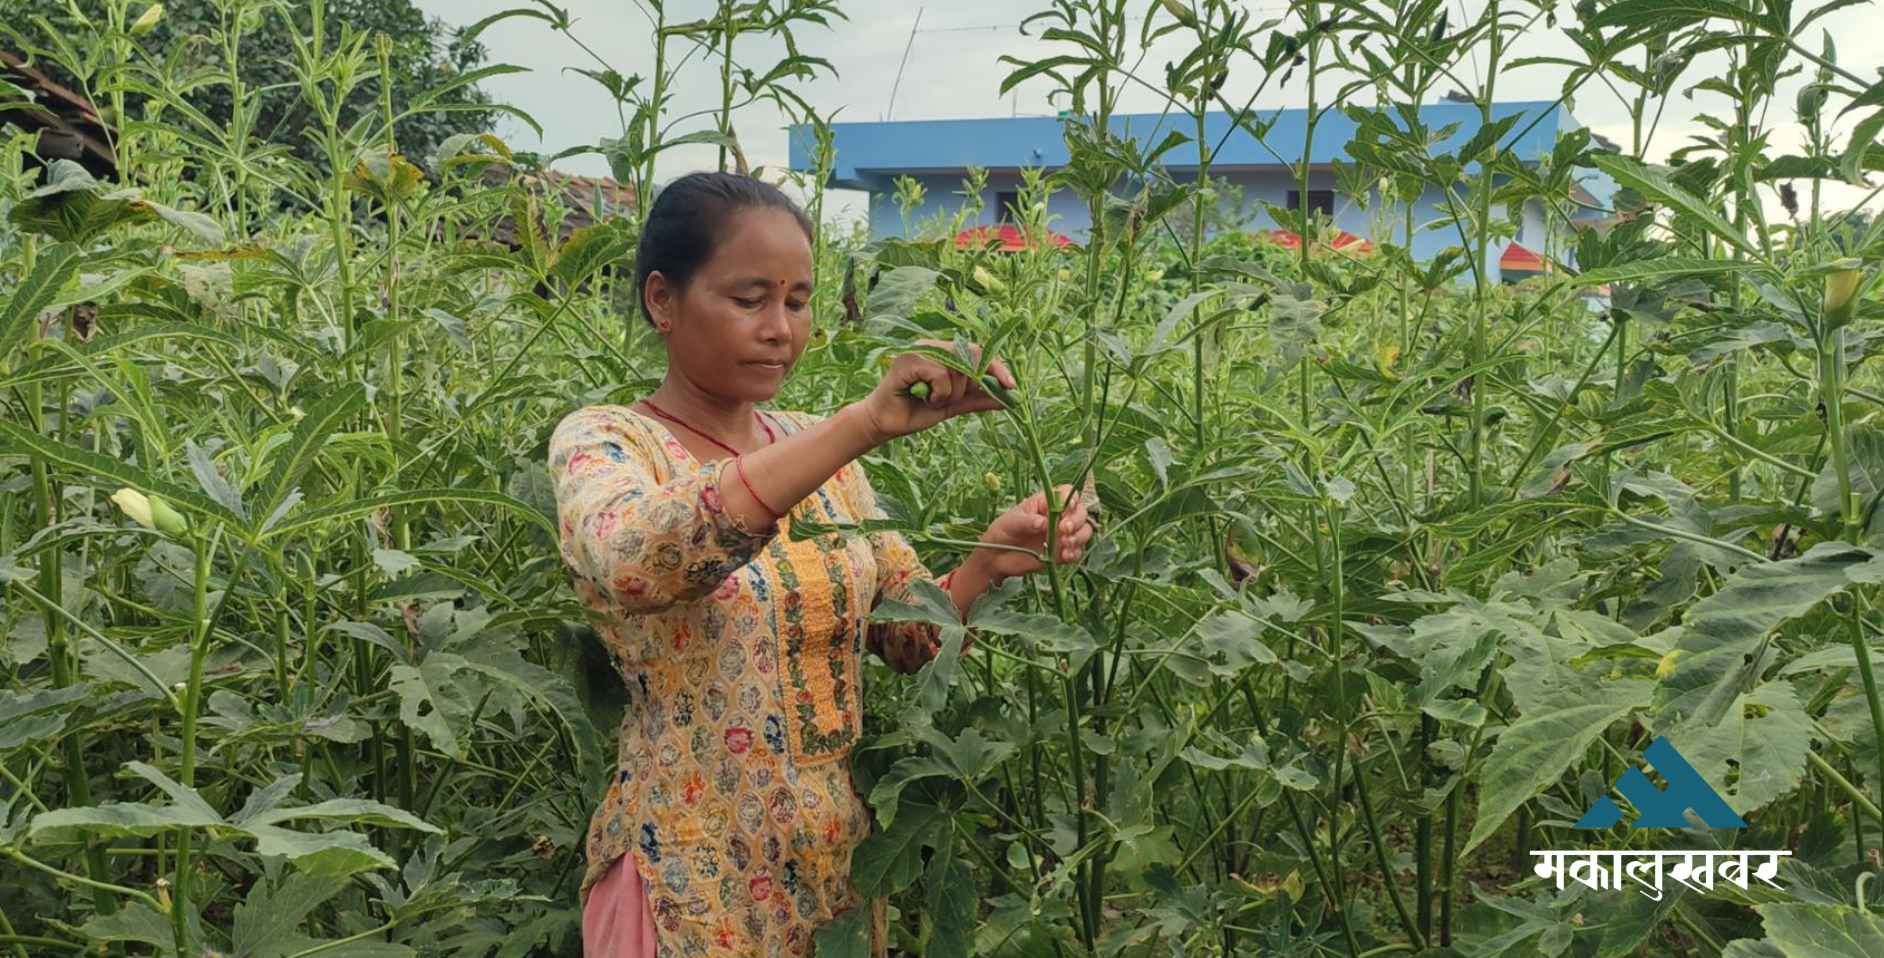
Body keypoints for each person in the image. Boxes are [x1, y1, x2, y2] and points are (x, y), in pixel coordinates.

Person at [549, 171, 1095, 958]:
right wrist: (863, 424)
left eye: (798, 301)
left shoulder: (826, 454)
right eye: (749, 300)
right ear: (662, 301)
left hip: (834, 877)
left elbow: (911, 639)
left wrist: (990, 561)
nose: (780, 328)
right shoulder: (607, 441)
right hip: (688, 880)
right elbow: (639, 562)